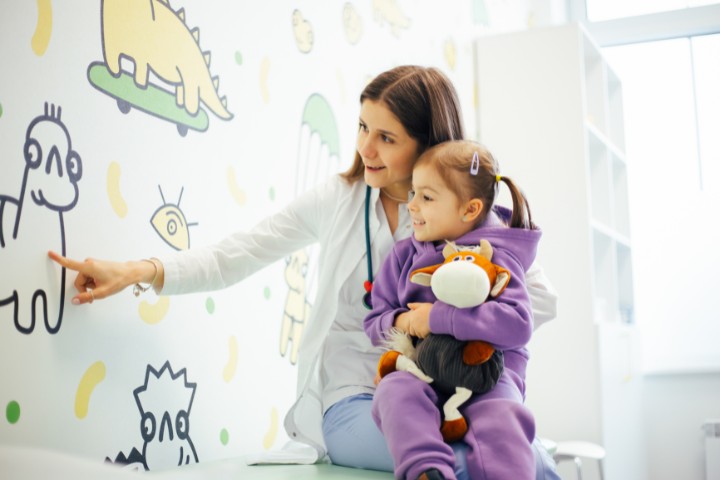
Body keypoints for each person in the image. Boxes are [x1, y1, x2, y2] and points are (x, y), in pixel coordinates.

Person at [48, 65, 559, 479]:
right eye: (362, 127)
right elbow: (242, 251)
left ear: (426, 146)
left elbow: (542, 301)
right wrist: (141, 269)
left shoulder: (474, 219)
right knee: (477, 465)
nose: (365, 148)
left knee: (505, 453)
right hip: (357, 397)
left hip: (449, 390)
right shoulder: (338, 200)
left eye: (386, 137)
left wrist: (441, 315)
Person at [365, 140, 540, 480]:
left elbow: (518, 325)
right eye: (414, 193)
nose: (412, 206)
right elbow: (375, 321)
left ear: (470, 210)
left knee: (502, 418)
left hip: (489, 373)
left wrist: (437, 319)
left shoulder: (500, 258)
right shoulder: (405, 256)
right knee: (394, 392)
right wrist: (406, 321)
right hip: (424, 368)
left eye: (426, 198)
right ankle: (426, 469)